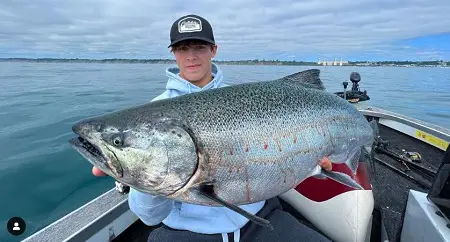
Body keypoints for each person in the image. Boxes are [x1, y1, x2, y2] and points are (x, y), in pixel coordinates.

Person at [92, 14, 332, 242]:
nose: (191, 56)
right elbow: (149, 216)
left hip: (260, 221)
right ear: (173, 53)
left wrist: (311, 164)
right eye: (183, 48)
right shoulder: (151, 115)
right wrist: (138, 174)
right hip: (188, 233)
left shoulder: (244, 100)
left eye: (199, 47)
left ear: (213, 50)